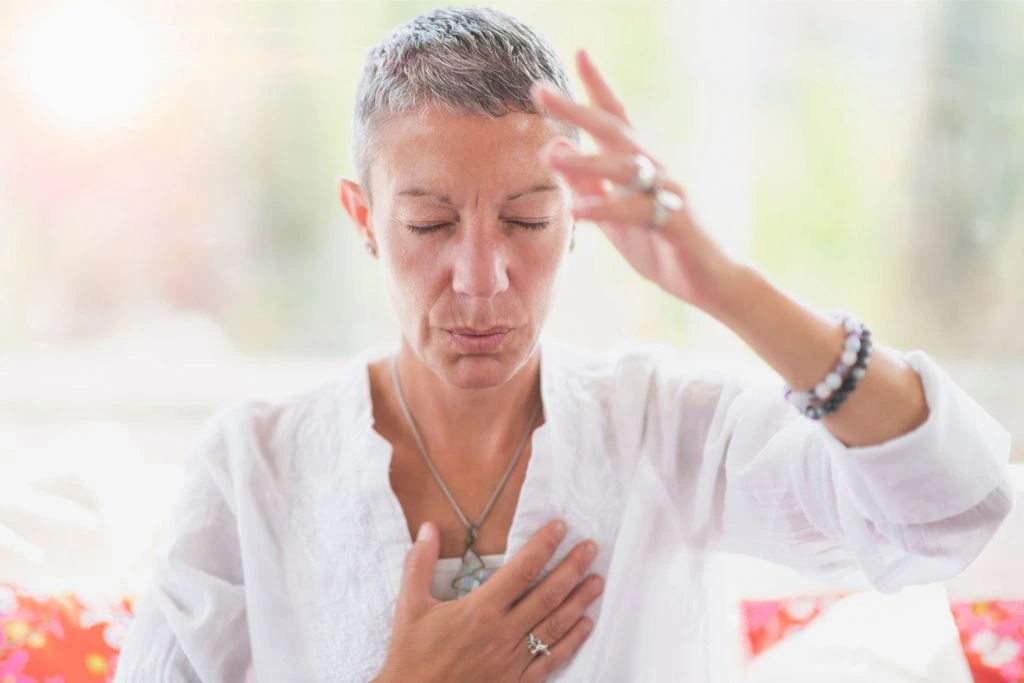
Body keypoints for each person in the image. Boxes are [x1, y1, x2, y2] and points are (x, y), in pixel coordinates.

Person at [114, 6, 1014, 682]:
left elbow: (951, 507)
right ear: (363, 219)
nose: (480, 276)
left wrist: (723, 284)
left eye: (526, 219)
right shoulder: (252, 469)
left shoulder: (664, 428)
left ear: (577, 216)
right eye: (429, 222)